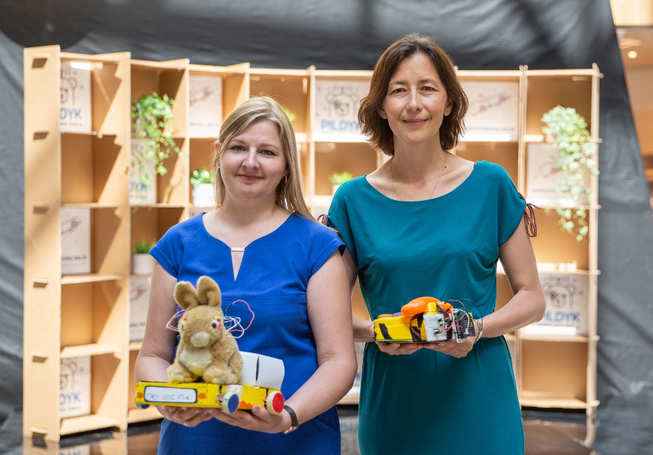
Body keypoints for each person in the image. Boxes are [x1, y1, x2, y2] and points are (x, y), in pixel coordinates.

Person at [327, 33, 546, 455]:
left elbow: (532, 298)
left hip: (479, 394)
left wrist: (476, 328)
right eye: (398, 90)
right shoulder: (352, 200)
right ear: (381, 107)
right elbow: (327, 314)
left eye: (427, 88)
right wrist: (376, 333)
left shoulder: (491, 184)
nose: (414, 103)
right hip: (396, 400)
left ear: (448, 103)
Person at [135, 96, 357, 455]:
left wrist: (288, 417)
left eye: (267, 152)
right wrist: (169, 401)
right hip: (193, 443)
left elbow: (339, 362)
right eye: (238, 147)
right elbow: (153, 355)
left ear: (286, 166)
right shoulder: (177, 244)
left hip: (295, 441)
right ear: (220, 154)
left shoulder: (317, 246)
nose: (250, 162)